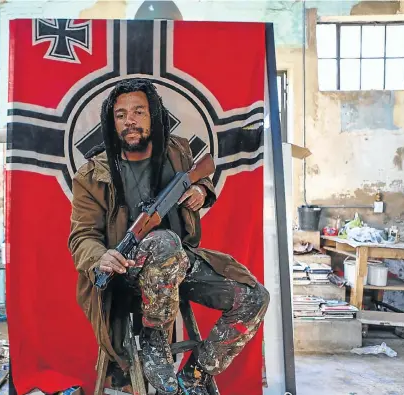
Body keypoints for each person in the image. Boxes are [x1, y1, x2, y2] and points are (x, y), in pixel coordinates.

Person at [68, 78, 270, 395]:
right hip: (126, 270)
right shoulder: (93, 174)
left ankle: (195, 374)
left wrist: (201, 190)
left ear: (154, 115)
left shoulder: (177, 151)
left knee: (255, 297)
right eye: (120, 115)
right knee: (164, 241)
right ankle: (154, 340)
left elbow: (203, 178)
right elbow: (82, 236)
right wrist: (99, 257)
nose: (129, 121)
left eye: (138, 112)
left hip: (180, 263)